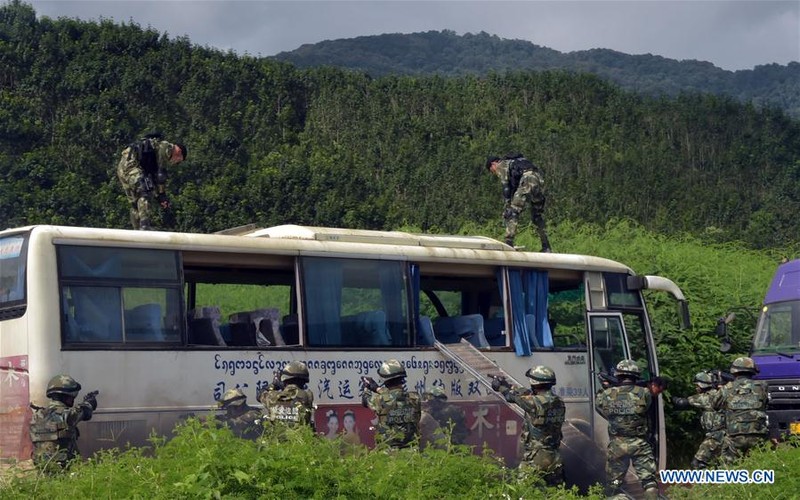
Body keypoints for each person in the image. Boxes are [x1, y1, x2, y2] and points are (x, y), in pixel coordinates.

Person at [595, 359, 658, 499]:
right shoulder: (644, 393)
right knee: (649, 483)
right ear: (636, 376)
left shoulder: (606, 394)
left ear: (618, 375)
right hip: (640, 445)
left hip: (617, 446)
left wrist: (607, 387)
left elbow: (600, 407)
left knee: (614, 484)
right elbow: (645, 407)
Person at [492, 366, 565, 486]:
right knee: (554, 493)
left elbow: (511, 397)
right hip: (554, 456)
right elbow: (528, 395)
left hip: (535, 457)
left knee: (524, 493)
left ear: (534, 382)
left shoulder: (533, 402)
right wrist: (510, 385)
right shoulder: (558, 401)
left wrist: (500, 386)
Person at [117, 132, 187, 230]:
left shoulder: (155, 148)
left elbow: (153, 178)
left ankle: (136, 230)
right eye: (178, 160)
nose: (175, 162)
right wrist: (162, 195)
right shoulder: (166, 147)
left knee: (135, 202)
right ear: (179, 152)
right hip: (132, 166)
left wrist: (159, 197)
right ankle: (144, 226)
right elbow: (160, 176)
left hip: (123, 168)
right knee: (145, 192)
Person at [29, 374, 98, 473]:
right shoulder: (67, 415)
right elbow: (86, 411)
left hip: (42, 468)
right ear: (67, 396)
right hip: (64, 470)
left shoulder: (37, 416)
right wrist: (89, 402)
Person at [485, 152, 551, 252]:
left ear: (493, 164)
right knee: (537, 216)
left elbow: (506, 188)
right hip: (537, 179)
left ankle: (508, 242)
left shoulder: (501, 165)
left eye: (492, 171)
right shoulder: (516, 162)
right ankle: (546, 246)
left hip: (527, 180)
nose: (494, 173)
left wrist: (507, 206)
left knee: (512, 212)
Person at [711, 357, 769, 463]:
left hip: (735, 436)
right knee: (759, 466)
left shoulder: (726, 388)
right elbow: (766, 404)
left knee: (730, 469)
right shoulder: (762, 386)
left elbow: (715, 405)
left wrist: (720, 390)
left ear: (734, 371)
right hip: (757, 435)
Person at [361, 359, 421, 449]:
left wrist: (367, 387)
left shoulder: (379, 400)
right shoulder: (415, 398)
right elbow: (395, 396)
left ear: (385, 381)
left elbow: (365, 400)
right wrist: (378, 389)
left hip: (387, 453)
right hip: (411, 451)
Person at [672, 370, 726, 469]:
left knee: (697, 463)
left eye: (697, 386)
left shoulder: (706, 397)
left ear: (702, 385)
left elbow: (681, 403)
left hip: (716, 436)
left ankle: (704, 483)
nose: (696, 388)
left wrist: (670, 396)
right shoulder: (719, 394)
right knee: (720, 464)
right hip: (723, 436)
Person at [259, 360, 315, 429]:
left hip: (276, 439)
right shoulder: (308, 396)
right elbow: (294, 393)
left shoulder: (272, 397)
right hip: (300, 439)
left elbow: (259, 394)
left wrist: (274, 384)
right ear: (304, 381)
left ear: (284, 380)